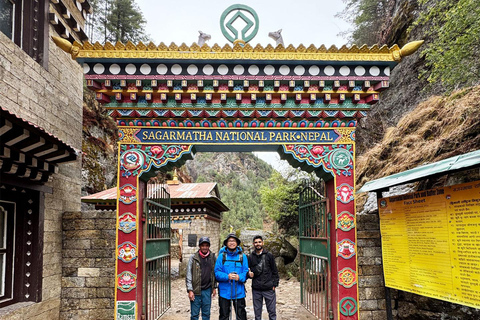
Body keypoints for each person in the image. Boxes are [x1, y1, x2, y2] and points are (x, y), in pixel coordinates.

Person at [215, 233, 249, 320]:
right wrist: (227, 276)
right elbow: (217, 272)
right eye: (229, 241)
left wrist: (239, 277)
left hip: (239, 292)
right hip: (224, 292)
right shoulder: (221, 257)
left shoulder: (243, 257)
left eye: (234, 241)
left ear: (237, 243)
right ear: (226, 243)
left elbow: (245, 272)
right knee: (224, 316)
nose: (232, 243)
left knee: (241, 316)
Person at [247, 235, 279, 320]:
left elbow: (275, 271)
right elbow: (247, 271)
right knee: (257, 313)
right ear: (253, 244)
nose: (258, 244)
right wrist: (249, 274)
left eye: (259, 242)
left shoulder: (269, 256)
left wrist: (274, 285)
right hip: (256, 289)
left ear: (262, 243)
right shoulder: (250, 257)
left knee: (272, 312)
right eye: (256, 242)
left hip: (268, 288)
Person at [186, 236, 217, 320]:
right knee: (194, 315)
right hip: (195, 290)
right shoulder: (193, 258)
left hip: (207, 290)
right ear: (199, 246)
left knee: (206, 314)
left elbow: (214, 273)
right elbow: (189, 274)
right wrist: (190, 290)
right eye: (203, 245)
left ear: (209, 246)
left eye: (206, 245)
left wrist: (214, 287)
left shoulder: (213, 257)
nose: (205, 247)